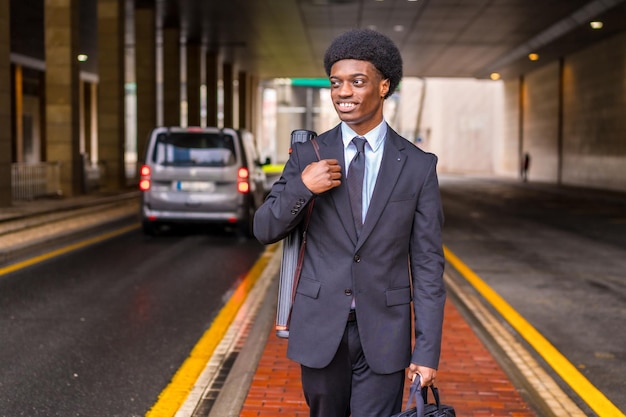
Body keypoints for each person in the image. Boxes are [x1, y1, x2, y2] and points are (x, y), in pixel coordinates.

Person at [253, 28, 446, 417]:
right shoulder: (308, 152)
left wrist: (426, 352)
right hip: (321, 327)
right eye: (336, 83)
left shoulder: (418, 165)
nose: (344, 92)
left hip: (385, 333)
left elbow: (427, 265)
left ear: (383, 86)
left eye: (358, 82)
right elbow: (264, 229)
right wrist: (302, 188)